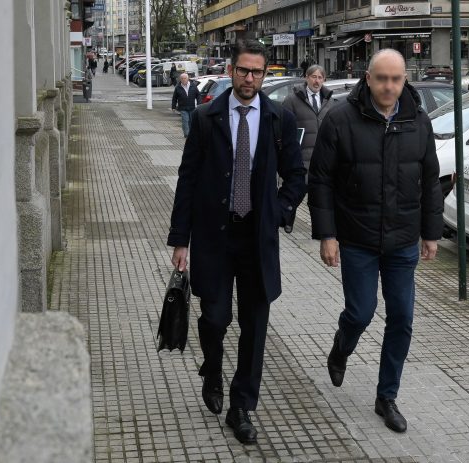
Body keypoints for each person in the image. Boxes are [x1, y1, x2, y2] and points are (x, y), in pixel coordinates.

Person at [167, 40, 307, 445]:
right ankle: (212, 368)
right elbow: (188, 179)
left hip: (257, 240)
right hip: (214, 236)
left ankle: (241, 406)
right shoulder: (206, 117)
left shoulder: (279, 119)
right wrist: (180, 240)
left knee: (255, 326)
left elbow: (296, 177)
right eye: (243, 70)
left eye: (257, 72)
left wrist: (279, 211)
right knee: (215, 319)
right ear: (231, 71)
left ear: (264, 74)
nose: (249, 78)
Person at [308, 49, 444, 433]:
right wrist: (327, 235)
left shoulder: (418, 121)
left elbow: (430, 180)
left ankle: (387, 397)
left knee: (402, 318)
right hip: (357, 238)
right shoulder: (340, 120)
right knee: (361, 312)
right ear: (368, 78)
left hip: (403, 239)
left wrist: (431, 233)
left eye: (395, 79)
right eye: (381, 78)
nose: (388, 86)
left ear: (404, 80)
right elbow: (320, 180)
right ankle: (342, 347)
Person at [281, 64, 337, 173]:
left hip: (323, 161)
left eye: (320, 78)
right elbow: (283, 128)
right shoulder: (292, 100)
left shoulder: (330, 101)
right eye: (314, 77)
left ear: (324, 80)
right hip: (300, 160)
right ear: (307, 78)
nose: (317, 81)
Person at [171, 73, 202, 138]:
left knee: (191, 121)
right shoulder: (178, 87)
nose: (183, 80)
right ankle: (186, 134)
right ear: (180, 79)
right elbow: (174, 98)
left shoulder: (193, 86)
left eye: (185, 78)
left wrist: (199, 104)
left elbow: (198, 95)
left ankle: (191, 133)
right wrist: (173, 107)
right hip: (183, 108)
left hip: (192, 107)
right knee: (185, 120)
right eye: (182, 78)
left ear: (188, 79)